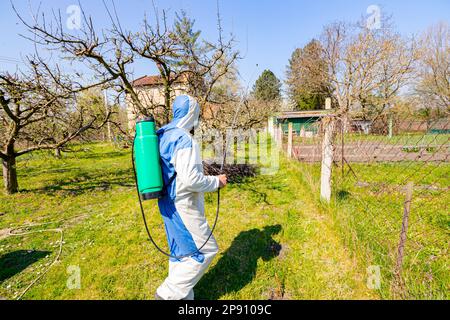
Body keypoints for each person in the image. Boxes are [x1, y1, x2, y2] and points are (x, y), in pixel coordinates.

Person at [155, 95, 227, 300]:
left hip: (167, 202)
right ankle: (166, 295)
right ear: (191, 113)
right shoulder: (184, 138)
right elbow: (191, 180)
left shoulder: (163, 134)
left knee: (181, 252)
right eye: (196, 113)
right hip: (182, 204)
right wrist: (216, 182)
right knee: (205, 251)